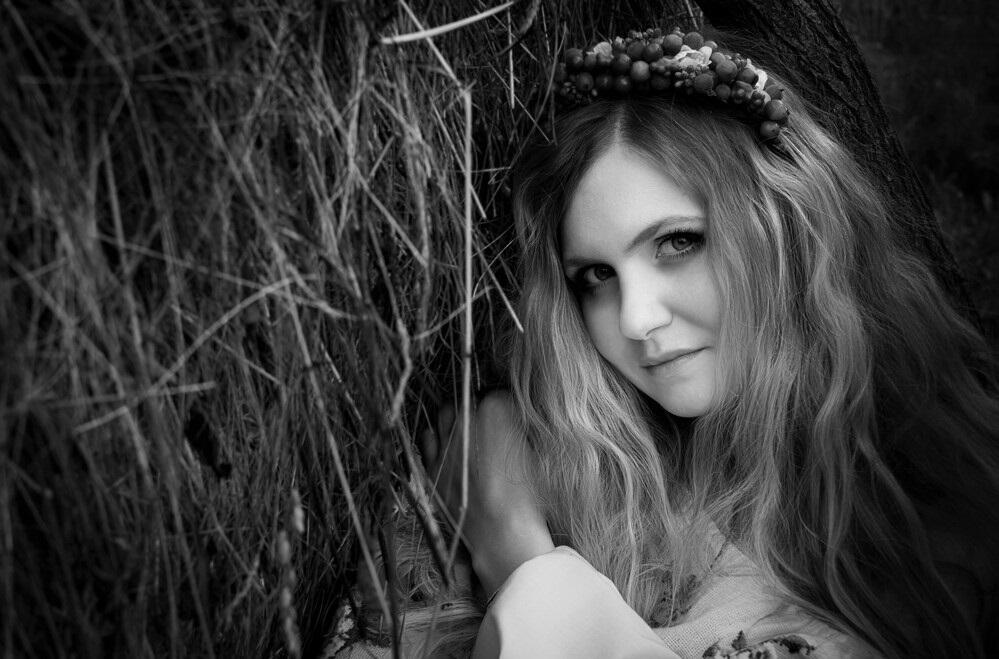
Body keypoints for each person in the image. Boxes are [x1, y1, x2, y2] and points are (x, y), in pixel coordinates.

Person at [339, 28, 999, 659]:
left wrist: (514, 554)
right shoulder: (575, 477)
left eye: (678, 242)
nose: (635, 319)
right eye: (596, 276)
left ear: (787, 229)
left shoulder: (944, 519)